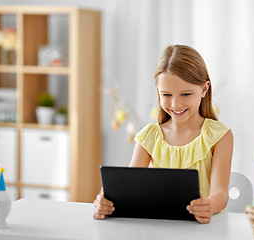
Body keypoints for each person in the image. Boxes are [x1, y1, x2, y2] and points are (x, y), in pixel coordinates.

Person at [93, 44, 233, 224]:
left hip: (204, 230)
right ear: (158, 92)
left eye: (186, 94)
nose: (175, 104)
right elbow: (128, 188)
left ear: (204, 89)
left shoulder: (220, 136)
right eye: (166, 95)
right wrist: (104, 201)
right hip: (159, 229)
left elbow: (220, 193)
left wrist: (209, 206)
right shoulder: (149, 136)